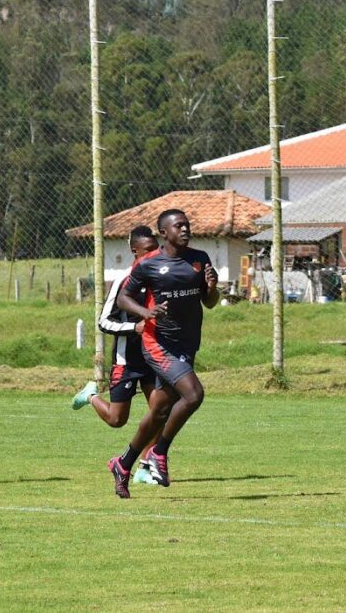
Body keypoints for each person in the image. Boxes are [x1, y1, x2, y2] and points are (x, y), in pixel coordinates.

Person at [111, 209, 219, 498]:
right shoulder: (148, 264)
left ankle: (123, 464)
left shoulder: (200, 259)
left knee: (160, 411)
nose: (185, 229)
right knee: (193, 395)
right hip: (157, 343)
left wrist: (212, 287)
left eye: (187, 225)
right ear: (163, 233)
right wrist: (146, 312)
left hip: (187, 344)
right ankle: (159, 452)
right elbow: (123, 298)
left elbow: (209, 302)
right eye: (178, 226)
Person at [71, 225, 166, 486]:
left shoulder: (161, 280)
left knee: (161, 410)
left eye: (156, 250)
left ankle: (144, 467)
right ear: (135, 251)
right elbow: (103, 322)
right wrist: (133, 328)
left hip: (153, 358)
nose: (153, 255)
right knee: (116, 419)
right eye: (148, 251)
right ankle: (90, 396)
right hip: (127, 362)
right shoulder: (124, 282)